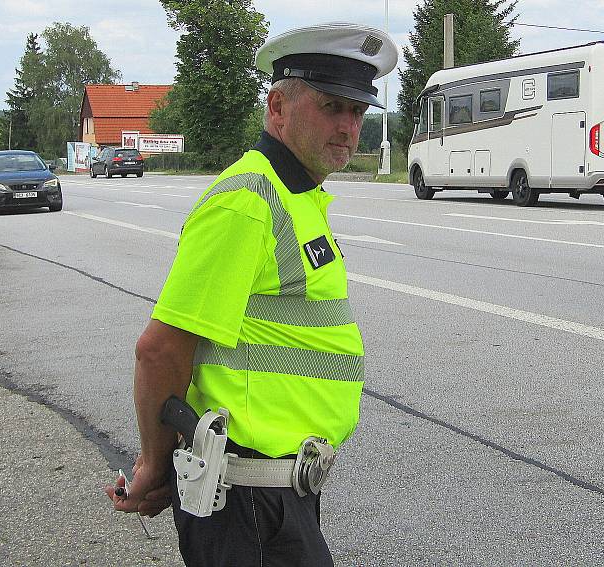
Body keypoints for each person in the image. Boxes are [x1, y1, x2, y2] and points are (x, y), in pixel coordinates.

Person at [105, 22, 398, 567]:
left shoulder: (299, 193)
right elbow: (161, 349)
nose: (348, 127)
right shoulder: (246, 201)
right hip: (248, 502)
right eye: (332, 106)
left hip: (277, 494)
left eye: (357, 113)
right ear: (278, 106)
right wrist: (152, 463)